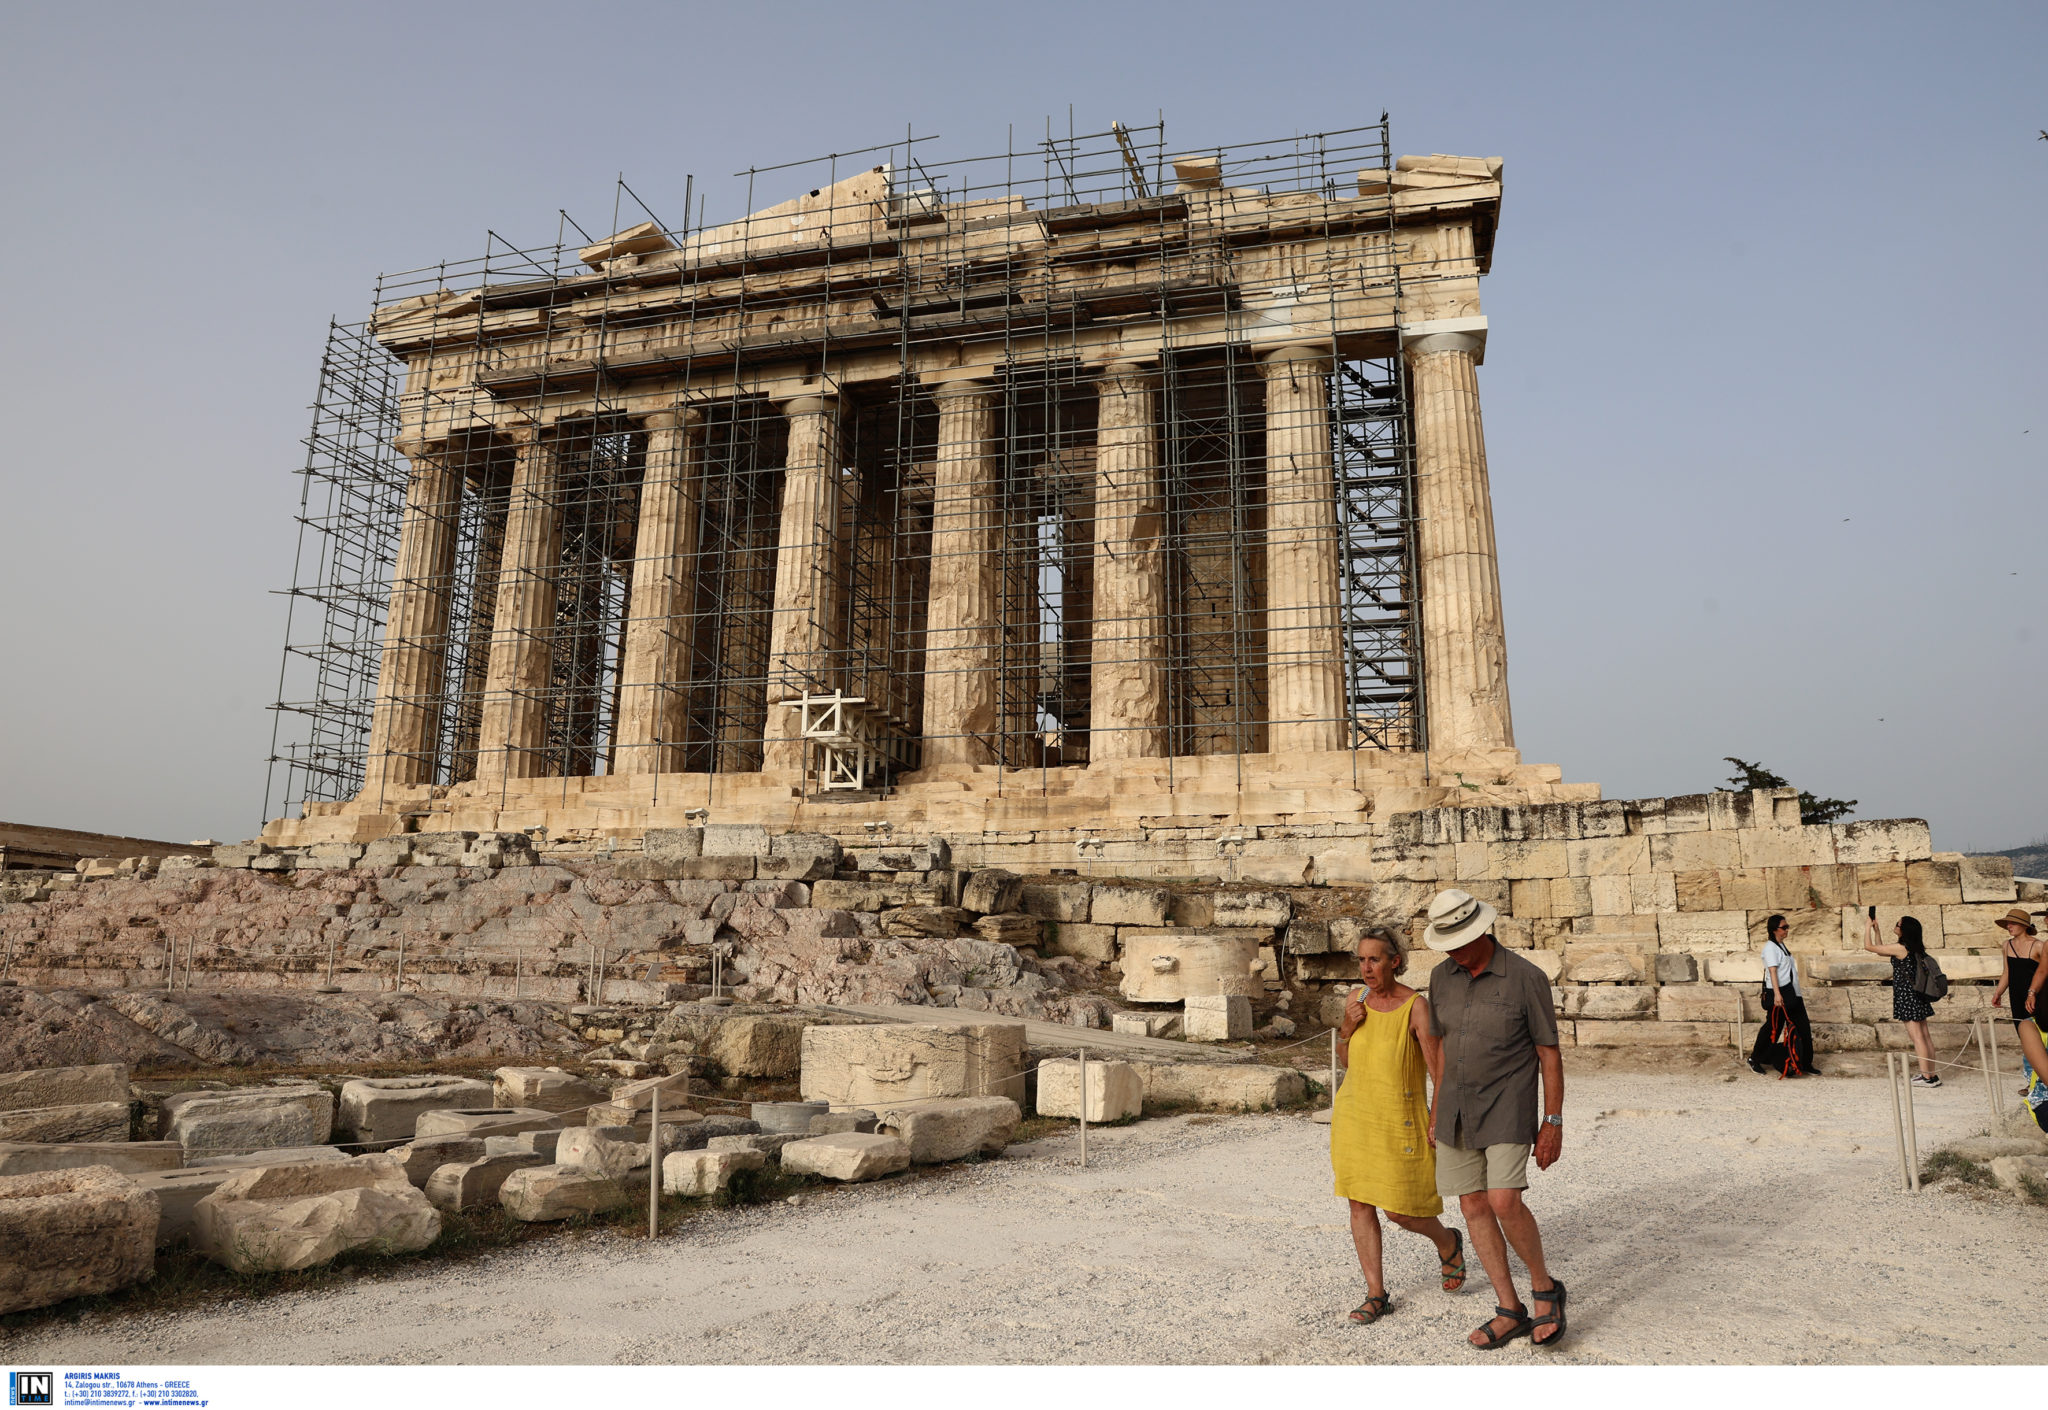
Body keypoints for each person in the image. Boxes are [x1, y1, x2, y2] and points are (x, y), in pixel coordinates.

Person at [1422, 887, 1567, 1350]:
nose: (1455, 953)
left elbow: (1549, 1054)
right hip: (1456, 1108)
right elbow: (1442, 1048)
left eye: (1461, 941)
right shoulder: (1440, 978)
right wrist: (1436, 1109)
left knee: (1504, 1201)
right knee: (1472, 1207)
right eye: (1448, 944)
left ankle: (1545, 1290)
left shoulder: (1527, 977)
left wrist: (1553, 1122)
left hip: (1508, 1104)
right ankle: (1511, 1308)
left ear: (1483, 930)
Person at [1329, 925, 1467, 1325]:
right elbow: (1349, 1058)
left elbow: (1437, 1066)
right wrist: (1348, 1027)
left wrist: (1438, 1115)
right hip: (1356, 1115)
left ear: (1396, 962)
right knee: (1359, 1202)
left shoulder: (1417, 1007)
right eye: (1361, 960)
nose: (1366, 968)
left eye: (1374, 959)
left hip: (1400, 1118)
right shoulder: (1357, 999)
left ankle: (1448, 1241)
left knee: (1400, 1211)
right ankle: (1376, 1294)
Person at [1863, 913, 1940, 1086]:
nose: (1896, 926)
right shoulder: (1913, 947)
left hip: (1907, 996)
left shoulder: (1901, 948)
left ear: (1904, 930)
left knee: (1917, 1037)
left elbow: (1869, 947)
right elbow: (1881, 949)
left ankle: (1926, 1077)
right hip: (1917, 995)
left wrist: (1867, 926)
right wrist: (1877, 930)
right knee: (1925, 1036)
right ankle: (1931, 1075)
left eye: (1898, 924)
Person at [1989, 907, 2048, 1100]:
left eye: (2012, 923)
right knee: (2025, 1040)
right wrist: (1998, 992)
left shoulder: (2038, 946)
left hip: (2037, 998)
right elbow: (2007, 972)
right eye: (2007, 923)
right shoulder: (2007, 945)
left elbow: (2043, 973)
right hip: (2017, 997)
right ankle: (2032, 1081)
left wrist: (2033, 993)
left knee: (2038, 1038)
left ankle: (2039, 1081)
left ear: (2024, 925)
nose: (2009, 926)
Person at [1749, 914, 1817, 1077]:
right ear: (1774, 930)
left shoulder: (1781, 946)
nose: (1787, 930)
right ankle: (1755, 1059)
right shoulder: (1770, 948)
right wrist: (1777, 996)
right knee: (1772, 1028)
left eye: (1787, 927)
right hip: (1781, 995)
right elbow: (1773, 972)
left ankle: (1806, 1063)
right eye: (1784, 927)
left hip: (1792, 993)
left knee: (1803, 1028)